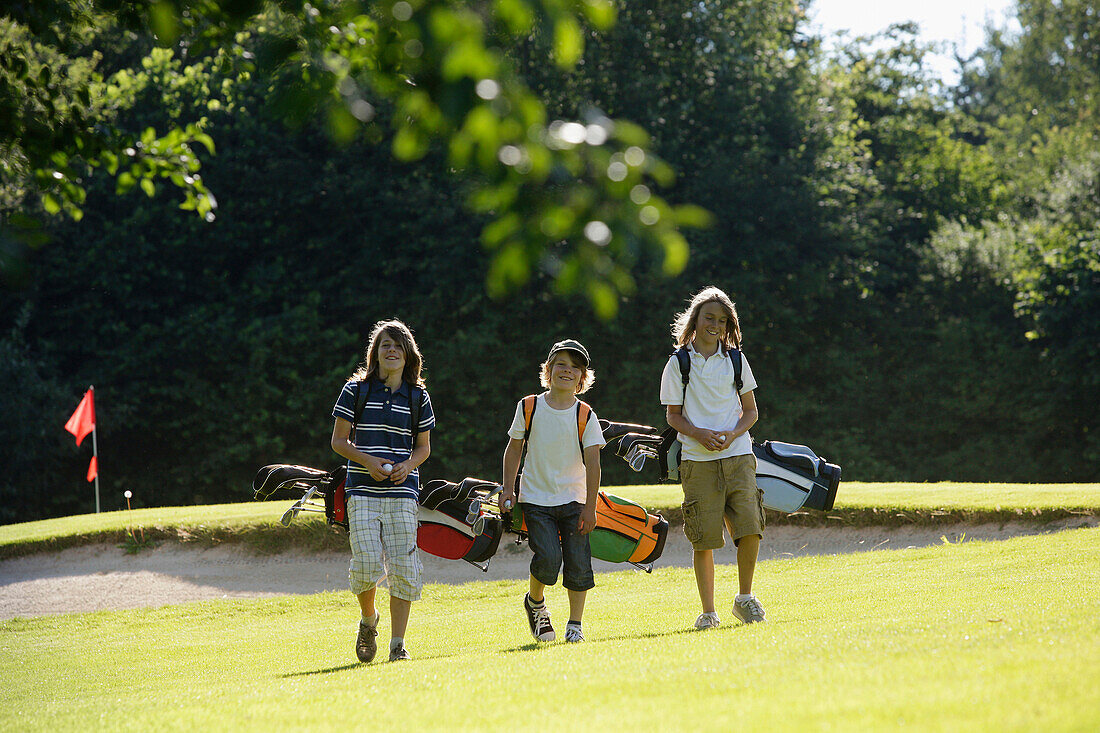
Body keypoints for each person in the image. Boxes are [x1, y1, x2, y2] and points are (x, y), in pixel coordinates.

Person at [659, 287, 766, 628]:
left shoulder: (736, 359)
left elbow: (751, 412)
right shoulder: (678, 363)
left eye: (722, 320)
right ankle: (709, 613)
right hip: (696, 460)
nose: (715, 325)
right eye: (709, 318)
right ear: (696, 320)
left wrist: (733, 434)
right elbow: (673, 416)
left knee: (750, 528)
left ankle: (745, 599)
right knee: (704, 538)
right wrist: (700, 434)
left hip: (739, 456)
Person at [330, 319, 435, 663]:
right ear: (375, 353)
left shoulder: (419, 397)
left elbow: (423, 448)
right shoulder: (356, 390)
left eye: (397, 345)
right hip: (361, 490)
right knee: (366, 563)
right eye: (384, 345)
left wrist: (408, 466)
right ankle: (368, 619)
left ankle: (397, 644)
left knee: (404, 567)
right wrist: (368, 461)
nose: (391, 350)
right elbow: (339, 442)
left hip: (403, 492)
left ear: (408, 355)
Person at [501, 339, 605, 643]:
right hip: (535, 499)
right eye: (561, 364)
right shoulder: (529, 406)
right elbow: (514, 449)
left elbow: (594, 465)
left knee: (578, 562)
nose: (567, 371)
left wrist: (591, 507)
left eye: (575, 367)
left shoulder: (586, 415)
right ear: (548, 369)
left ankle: (575, 626)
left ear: (583, 378)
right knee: (547, 559)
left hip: (575, 501)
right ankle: (535, 603)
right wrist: (508, 488)